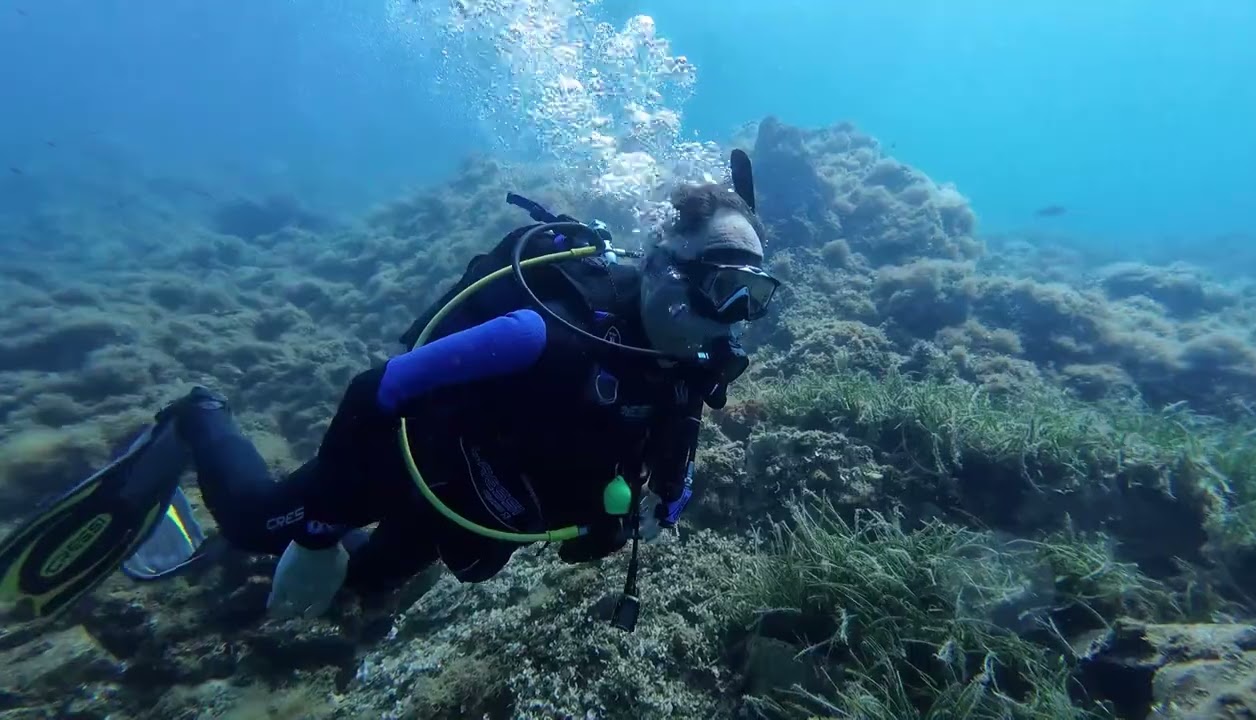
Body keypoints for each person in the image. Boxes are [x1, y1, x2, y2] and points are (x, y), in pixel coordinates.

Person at [0, 150, 780, 628]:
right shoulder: (540, 332)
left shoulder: (687, 370)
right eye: (721, 286)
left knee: (358, 593)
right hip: (397, 463)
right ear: (657, 266)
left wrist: (665, 500)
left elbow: (667, 457)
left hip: (469, 509)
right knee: (251, 525)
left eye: (755, 297)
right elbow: (377, 389)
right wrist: (315, 534)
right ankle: (195, 420)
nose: (734, 318)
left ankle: (288, 569)